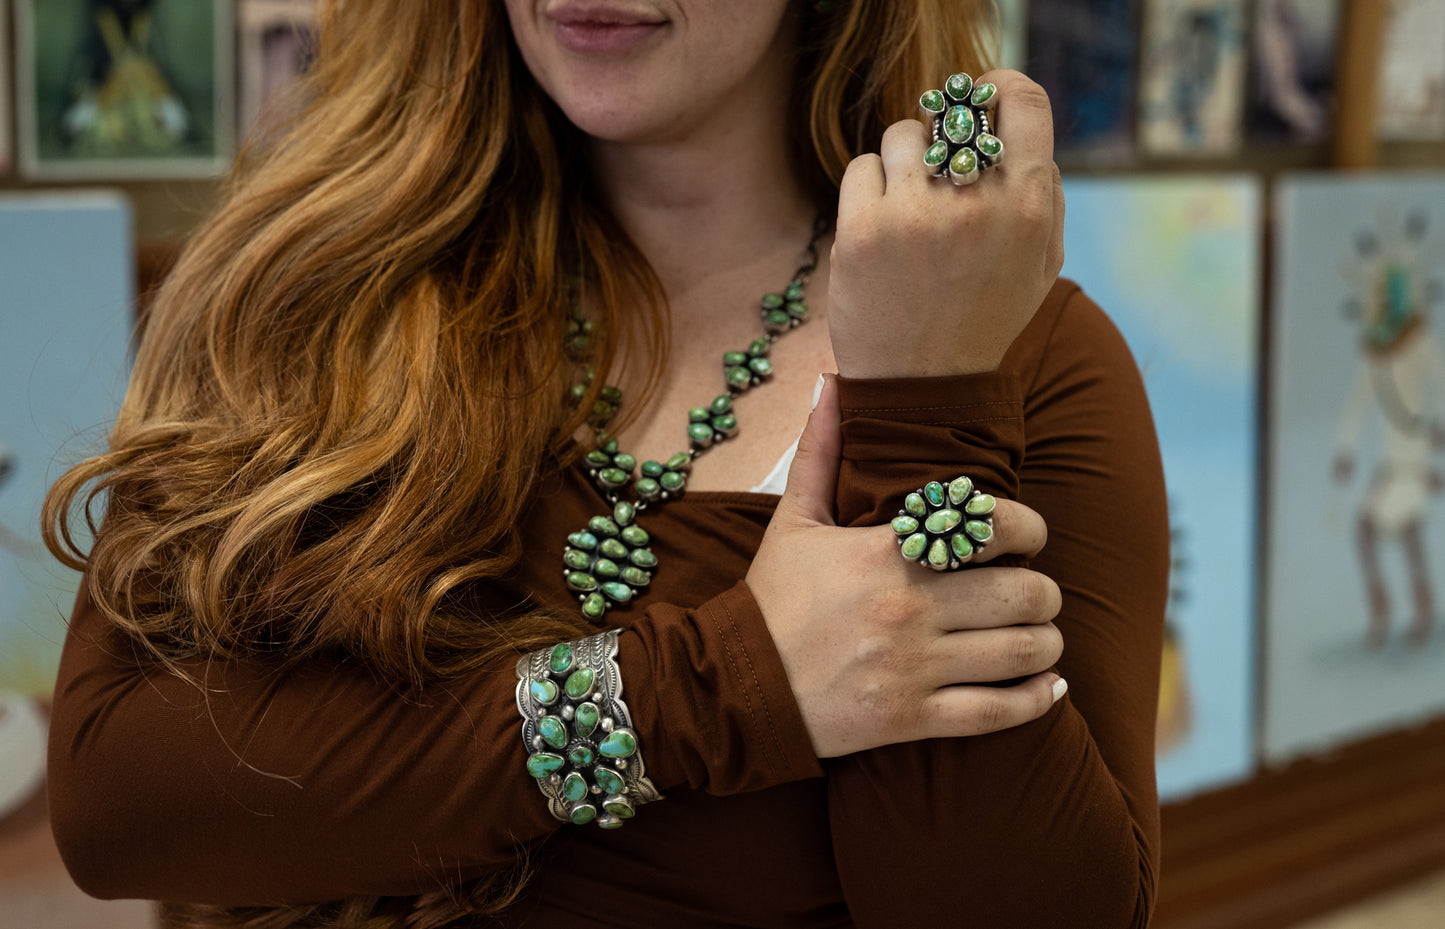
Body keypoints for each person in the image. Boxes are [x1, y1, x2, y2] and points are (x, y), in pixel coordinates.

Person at [42, 1, 1168, 927]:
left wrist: (924, 405)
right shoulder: (313, 279)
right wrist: (716, 687)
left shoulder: (1021, 348)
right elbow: (121, 799)